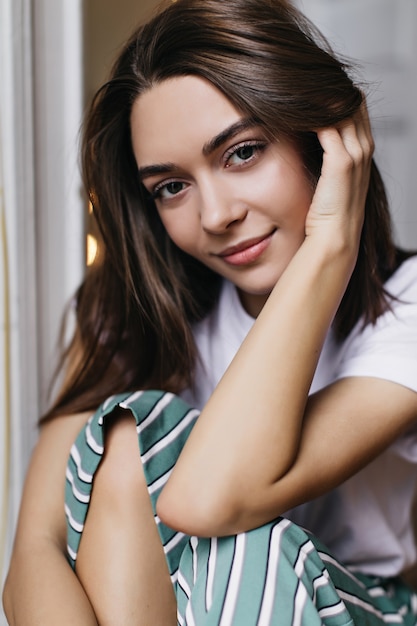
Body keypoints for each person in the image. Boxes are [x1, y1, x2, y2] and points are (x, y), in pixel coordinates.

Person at [3, 0, 417, 623]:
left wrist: (333, 243)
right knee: (124, 446)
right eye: (171, 186)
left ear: (327, 142)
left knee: (213, 513)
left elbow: (209, 500)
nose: (216, 215)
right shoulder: (135, 308)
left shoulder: (407, 307)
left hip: (364, 608)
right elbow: (36, 548)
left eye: (242, 152)